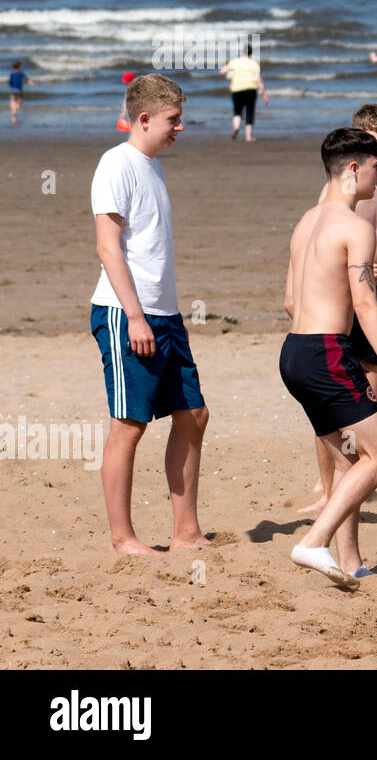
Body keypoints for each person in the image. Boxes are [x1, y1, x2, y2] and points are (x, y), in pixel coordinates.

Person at [281, 128, 377, 588]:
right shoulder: (355, 228)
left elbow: (289, 301)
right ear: (353, 169)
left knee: (346, 459)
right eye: (376, 165)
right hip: (326, 352)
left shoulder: (306, 221)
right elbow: (365, 305)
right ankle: (313, 542)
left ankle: (348, 562)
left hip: (294, 353)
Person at [90, 74, 209, 555]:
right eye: (172, 119)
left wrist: (159, 315)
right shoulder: (115, 164)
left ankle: (185, 533)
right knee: (130, 423)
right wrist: (136, 317)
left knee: (193, 415)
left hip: (166, 315)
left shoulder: (152, 167)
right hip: (125, 313)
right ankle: (123, 539)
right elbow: (108, 247)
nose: (180, 127)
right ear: (143, 119)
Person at [300, 104, 377, 515]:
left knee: (365, 396)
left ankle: (350, 479)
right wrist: (356, 265)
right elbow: (325, 242)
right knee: (338, 403)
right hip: (353, 302)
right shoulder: (339, 189)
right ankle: (326, 487)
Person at [220, 41, 268, 142]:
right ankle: (248, 137)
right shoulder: (254, 64)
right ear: (251, 53)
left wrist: (229, 77)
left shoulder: (235, 61)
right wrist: (264, 94)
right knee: (249, 112)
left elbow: (222, 71)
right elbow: (259, 80)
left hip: (236, 88)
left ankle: (236, 127)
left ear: (242, 52)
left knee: (237, 111)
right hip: (251, 89)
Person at [9, 60, 29, 125]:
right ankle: (16, 108)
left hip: (13, 89)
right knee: (19, 101)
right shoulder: (21, 73)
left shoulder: (12, 73)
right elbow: (26, 79)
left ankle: (13, 112)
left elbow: (10, 82)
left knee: (12, 101)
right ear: (19, 66)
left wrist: (11, 86)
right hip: (19, 90)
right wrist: (31, 83)